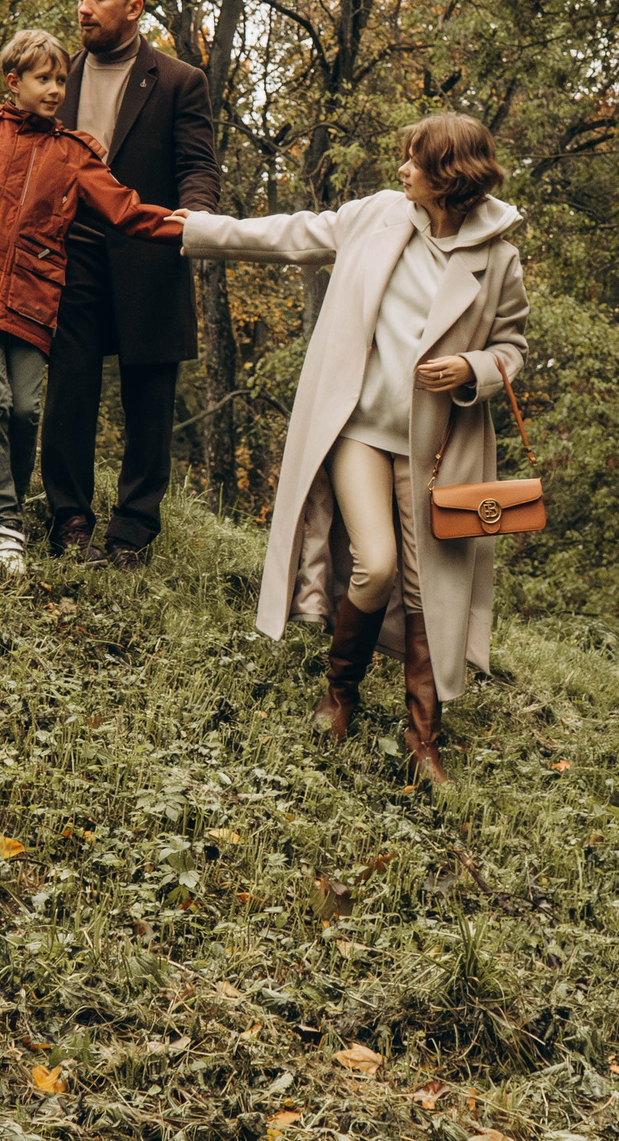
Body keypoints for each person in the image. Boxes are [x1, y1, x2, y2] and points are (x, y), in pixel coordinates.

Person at [179, 115, 528, 782]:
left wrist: (473, 370)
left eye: (414, 161)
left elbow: (513, 348)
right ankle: (339, 693)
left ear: (449, 176)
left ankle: (423, 741)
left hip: (438, 449)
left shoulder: (498, 258)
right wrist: (188, 230)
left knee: (434, 587)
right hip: (360, 432)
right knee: (376, 565)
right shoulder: (378, 217)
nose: (401, 170)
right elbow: (288, 234)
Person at [0, 30, 184, 572]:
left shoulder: (73, 154)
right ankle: (4, 522)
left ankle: (6, 512)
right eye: (43, 79)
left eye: (60, 80)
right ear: (14, 82)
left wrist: (185, 229)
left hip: (32, 295)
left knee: (27, 408)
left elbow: (124, 210)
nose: (55, 89)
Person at [40, 0, 221, 566]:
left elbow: (197, 167)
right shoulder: (56, 76)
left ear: (134, 9)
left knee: (149, 401)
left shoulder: (178, 81)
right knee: (69, 394)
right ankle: (69, 520)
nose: (84, 7)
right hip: (71, 258)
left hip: (150, 254)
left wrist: (191, 222)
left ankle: (132, 533)